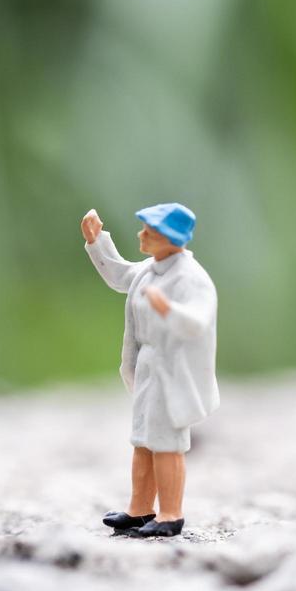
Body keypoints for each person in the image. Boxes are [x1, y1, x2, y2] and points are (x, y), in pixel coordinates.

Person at [80, 203, 219, 538]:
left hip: (174, 370)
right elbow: (119, 276)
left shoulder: (191, 277)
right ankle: (140, 508)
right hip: (148, 367)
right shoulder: (150, 268)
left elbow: (199, 321)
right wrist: (97, 240)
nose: (141, 235)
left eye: (150, 232)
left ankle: (171, 513)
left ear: (170, 238)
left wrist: (168, 309)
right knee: (143, 440)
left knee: (168, 443)